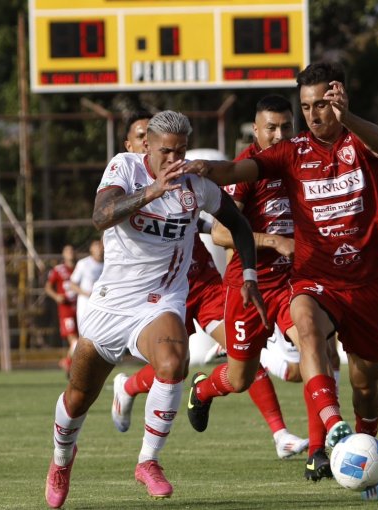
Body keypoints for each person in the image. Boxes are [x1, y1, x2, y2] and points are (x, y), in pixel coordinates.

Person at [183, 62, 378, 498]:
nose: (314, 115)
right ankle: (332, 435)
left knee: (366, 381)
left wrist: (347, 116)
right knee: (307, 335)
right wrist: (201, 167)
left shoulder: (360, 141)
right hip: (305, 280)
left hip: (368, 281)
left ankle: (363, 441)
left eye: (321, 106)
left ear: (337, 101)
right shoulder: (290, 153)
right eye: (307, 107)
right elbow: (235, 175)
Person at [43, 110, 266, 507]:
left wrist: (249, 274)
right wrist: (153, 191)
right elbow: (100, 216)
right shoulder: (124, 168)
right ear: (147, 145)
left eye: (181, 150)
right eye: (166, 151)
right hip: (112, 304)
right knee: (78, 396)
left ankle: (148, 461)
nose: (174, 159)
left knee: (173, 362)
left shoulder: (195, 183)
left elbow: (239, 225)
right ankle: (62, 460)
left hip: (162, 301)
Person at [110, 104, 308, 460]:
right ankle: (127, 387)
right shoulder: (122, 185)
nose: (154, 149)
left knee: (239, 353)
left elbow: (213, 224)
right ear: (132, 145)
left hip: (201, 283)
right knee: (170, 366)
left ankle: (280, 434)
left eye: (174, 148)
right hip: (156, 294)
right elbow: (105, 218)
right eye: (142, 139)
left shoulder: (181, 180)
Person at [186, 94, 315, 459]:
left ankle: (321, 449)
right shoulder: (246, 169)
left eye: (285, 127)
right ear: (255, 131)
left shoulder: (303, 161)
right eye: (270, 128)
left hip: (295, 282)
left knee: (316, 352)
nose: (278, 135)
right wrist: (274, 240)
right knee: (240, 378)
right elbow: (221, 234)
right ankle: (205, 388)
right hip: (250, 285)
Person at [44, 245, 79, 374]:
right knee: (74, 341)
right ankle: (69, 363)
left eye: (72, 250)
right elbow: (48, 287)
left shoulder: (80, 268)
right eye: (68, 251)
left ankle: (68, 362)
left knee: (80, 341)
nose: (70, 253)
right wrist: (56, 296)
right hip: (66, 309)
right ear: (63, 254)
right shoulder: (59, 270)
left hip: (81, 308)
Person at [69, 238, 104, 334]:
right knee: (85, 334)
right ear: (91, 249)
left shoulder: (108, 264)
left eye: (100, 246)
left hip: (102, 304)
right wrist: (87, 293)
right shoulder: (83, 263)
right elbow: (72, 284)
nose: (99, 248)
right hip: (85, 304)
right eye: (96, 246)